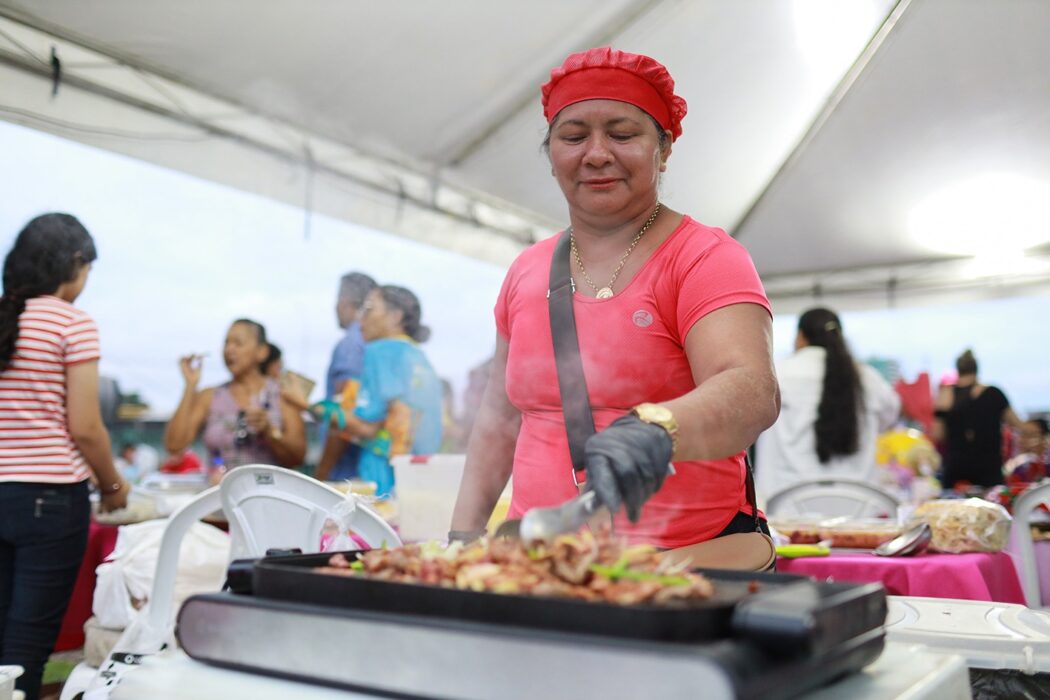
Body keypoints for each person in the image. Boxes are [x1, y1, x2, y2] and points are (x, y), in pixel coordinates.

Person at [449, 47, 780, 550]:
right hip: (535, 562)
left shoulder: (704, 257)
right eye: (574, 136)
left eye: (623, 134)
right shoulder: (526, 270)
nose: (597, 153)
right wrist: (461, 538)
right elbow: (499, 419)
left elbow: (751, 390)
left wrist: (661, 428)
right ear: (551, 152)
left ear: (663, 149)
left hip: (682, 565)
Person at [0, 213, 129, 700]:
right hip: (50, 498)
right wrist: (114, 484)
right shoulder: (71, 323)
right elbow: (86, 427)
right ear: (75, 262)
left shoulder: (4, 318)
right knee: (27, 645)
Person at [755, 308, 901, 498]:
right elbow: (889, 417)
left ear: (800, 337)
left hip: (787, 506)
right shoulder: (868, 378)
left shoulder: (778, 374)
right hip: (859, 507)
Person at [317, 285, 442, 496]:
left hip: (382, 480)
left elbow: (367, 427)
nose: (360, 318)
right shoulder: (419, 357)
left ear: (395, 317)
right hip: (417, 481)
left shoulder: (380, 351)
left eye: (368, 309)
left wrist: (316, 408)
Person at [164, 319, 306, 475]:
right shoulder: (210, 396)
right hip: (219, 494)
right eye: (226, 343)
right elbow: (175, 445)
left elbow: (297, 457)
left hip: (269, 495)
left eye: (238, 343)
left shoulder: (282, 395)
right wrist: (190, 386)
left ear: (262, 352)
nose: (229, 350)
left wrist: (269, 431)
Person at [933, 349, 1025, 489]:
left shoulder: (946, 394)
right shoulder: (994, 393)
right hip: (989, 468)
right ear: (976, 369)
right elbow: (1018, 425)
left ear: (958, 369)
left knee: (954, 508)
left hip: (956, 469)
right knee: (992, 505)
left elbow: (938, 435)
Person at [318, 272, 377, 481]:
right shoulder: (374, 344)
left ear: (344, 303)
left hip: (345, 475)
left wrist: (322, 474)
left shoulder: (351, 346)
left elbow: (342, 418)